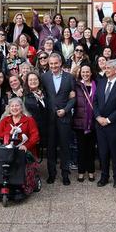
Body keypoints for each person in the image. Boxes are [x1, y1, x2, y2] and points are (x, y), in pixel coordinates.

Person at [40, 53, 76, 185]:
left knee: (65, 147)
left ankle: (65, 174)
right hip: (49, 118)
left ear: (60, 63)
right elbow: (40, 94)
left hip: (64, 117)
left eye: (56, 63)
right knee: (51, 148)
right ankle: (52, 173)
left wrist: (65, 110)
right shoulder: (44, 77)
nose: (53, 66)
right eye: (51, 64)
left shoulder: (69, 77)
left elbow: (73, 98)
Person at [73, 64, 97, 182]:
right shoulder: (76, 86)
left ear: (91, 73)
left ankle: (91, 171)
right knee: (81, 148)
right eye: (83, 72)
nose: (85, 74)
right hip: (79, 122)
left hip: (93, 122)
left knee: (91, 148)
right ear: (80, 73)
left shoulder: (96, 85)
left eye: (88, 72)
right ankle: (81, 171)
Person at [24, 72, 48, 149]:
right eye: (30, 80)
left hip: (47, 128)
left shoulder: (45, 93)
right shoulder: (24, 95)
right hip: (33, 129)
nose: (33, 81)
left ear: (39, 80)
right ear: (27, 82)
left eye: (35, 79)